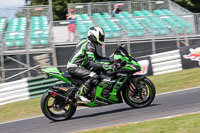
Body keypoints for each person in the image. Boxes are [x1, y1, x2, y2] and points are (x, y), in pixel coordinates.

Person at [67, 27, 115, 103]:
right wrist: (105, 66)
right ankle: (81, 94)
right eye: (100, 36)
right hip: (75, 67)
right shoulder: (89, 46)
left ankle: (91, 92)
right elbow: (92, 63)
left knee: (97, 71)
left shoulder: (87, 42)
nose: (102, 38)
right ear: (94, 36)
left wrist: (110, 60)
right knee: (94, 76)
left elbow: (97, 58)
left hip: (78, 66)